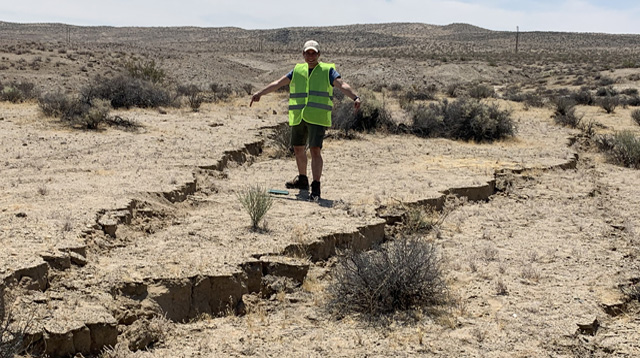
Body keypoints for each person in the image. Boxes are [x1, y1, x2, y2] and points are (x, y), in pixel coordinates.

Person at [250, 40, 361, 201]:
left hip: (317, 116)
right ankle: (302, 180)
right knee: (298, 149)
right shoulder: (297, 70)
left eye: (313, 53)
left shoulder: (327, 70)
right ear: (303, 54)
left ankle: (316, 187)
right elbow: (278, 83)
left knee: (315, 150)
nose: (310, 56)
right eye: (308, 53)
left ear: (318, 54)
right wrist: (260, 93)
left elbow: (341, 84)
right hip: (299, 116)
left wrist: (355, 97)